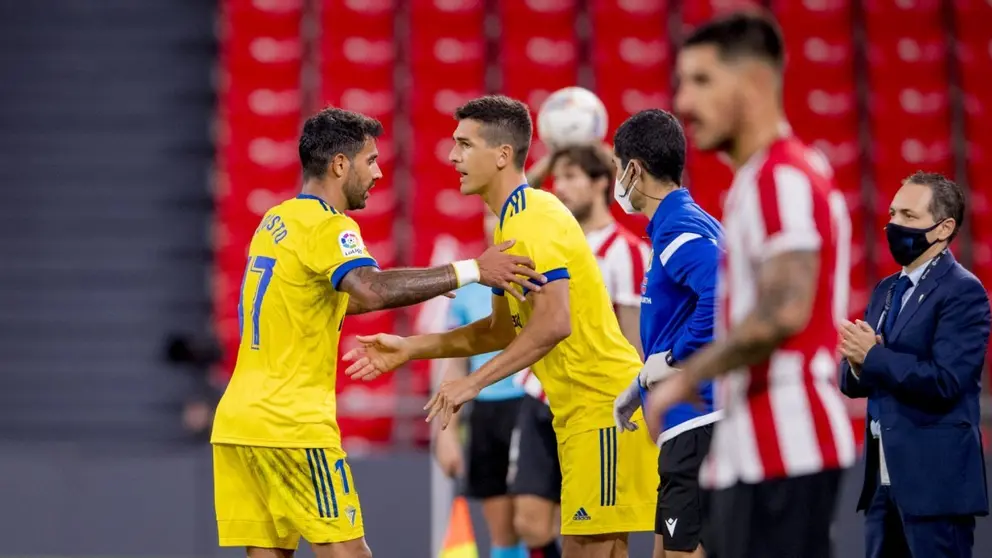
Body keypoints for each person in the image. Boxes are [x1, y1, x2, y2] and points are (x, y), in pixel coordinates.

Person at [210, 107, 545, 558]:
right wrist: (468, 271)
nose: (379, 172)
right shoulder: (328, 225)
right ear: (340, 165)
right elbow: (370, 289)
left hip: (238, 423)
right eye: (370, 160)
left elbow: (334, 293)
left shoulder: (275, 222)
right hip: (291, 425)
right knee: (351, 554)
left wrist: (434, 281)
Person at [345, 95, 659, 558]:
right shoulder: (510, 223)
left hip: (603, 412)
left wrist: (472, 382)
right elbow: (500, 329)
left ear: (503, 155)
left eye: (464, 145)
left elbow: (555, 321)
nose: (452, 157)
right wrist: (410, 348)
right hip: (577, 416)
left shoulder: (538, 217)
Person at [646, 12, 857, 558]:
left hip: (789, 442)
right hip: (754, 445)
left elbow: (785, 308)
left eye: (702, 80)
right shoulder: (753, 183)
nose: (684, 102)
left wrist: (682, 375)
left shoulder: (780, 178)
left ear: (757, 83)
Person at [505, 144, 651, 557]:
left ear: (602, 182)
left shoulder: (628, 252)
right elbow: (505, 206)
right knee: (530, 522)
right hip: (542, 395)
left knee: (601, 536)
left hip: (598, 400)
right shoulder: (545, 234)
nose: (560, 187)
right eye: (557, 177)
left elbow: (632, 338)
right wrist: (548, 157)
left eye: (571, 177)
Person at [839, 171, 990, 558]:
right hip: (882, 483)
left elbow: (946, 380)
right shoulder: (886, 289)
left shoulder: (964, 291)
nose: (894, 225)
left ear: (944, 228)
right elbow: (857, 379)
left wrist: (872, 357)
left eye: (908, 216)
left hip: (934, 485)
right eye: (892, 213)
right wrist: (857, 364)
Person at [609, 109, 723, 558]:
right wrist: (641, 383)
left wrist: (673, 359)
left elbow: (722, 292)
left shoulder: (679, 228)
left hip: (695, 422)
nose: (617, 179)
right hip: (690, 421)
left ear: (633, 169)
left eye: (619, 167)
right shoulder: (691, 221)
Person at [433, 208, 530, 558]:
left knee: (535, 523)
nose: (495, 222)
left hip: (532, 406)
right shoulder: (469, 285)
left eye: (502, 214)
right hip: (488, 413)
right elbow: (456, 364)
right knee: (503, 532)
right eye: (490, 215)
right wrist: (445, 434)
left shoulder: (541, 277)